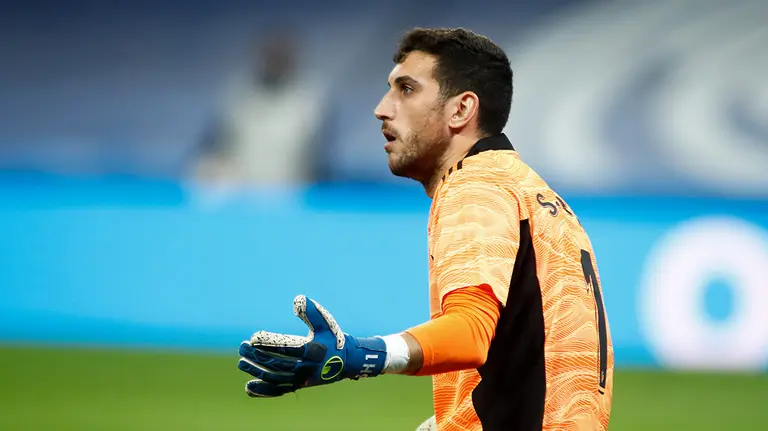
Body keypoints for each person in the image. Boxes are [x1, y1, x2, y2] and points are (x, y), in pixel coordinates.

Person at [237, 27, 614, 431]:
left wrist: (362, 354)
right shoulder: (534, 194)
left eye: (406, 89)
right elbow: (534, 356)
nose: (381, 109)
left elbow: (471, 332)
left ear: (460, 110)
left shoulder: (475, 187)